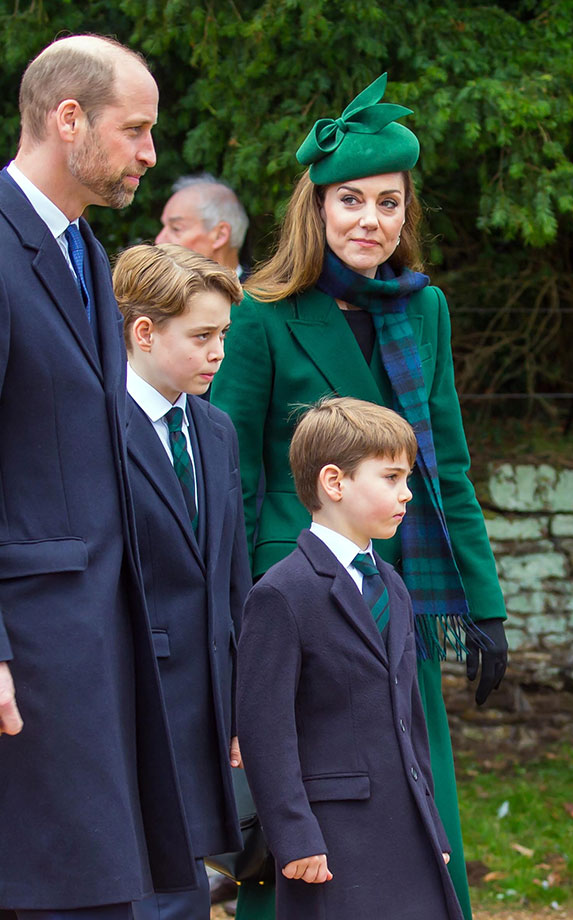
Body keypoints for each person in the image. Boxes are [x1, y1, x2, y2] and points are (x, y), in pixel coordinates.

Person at [0, 35, 199, 918]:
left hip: (92, 641)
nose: (149, 153)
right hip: (23, 649)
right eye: (135, 130)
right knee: (48, 890)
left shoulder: (81, 254)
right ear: (69, 119)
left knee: (23, 891)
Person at [209, 73, 507, 920]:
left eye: (389, 202)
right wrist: (235, 615)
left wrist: (484, 604)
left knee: (417, 801)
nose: (371, 220)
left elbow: (445, 465)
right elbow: (231, 481)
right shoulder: (262, 316)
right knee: (305, 806)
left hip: (397, 589)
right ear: (318, 208)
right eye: (351, 201)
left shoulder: (427, 312)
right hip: (296, 600)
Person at [235, 396, 463, 920]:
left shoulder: (395, 586)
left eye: (407, 478)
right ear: (334, 482)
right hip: (330, 841)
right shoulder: (281, 593)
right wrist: (293, 835)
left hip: (408, 831)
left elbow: (413, 721)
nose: (407, 493)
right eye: (391, 477)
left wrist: (431, 819)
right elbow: (264, 729)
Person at [113, 243, 251, 920]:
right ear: (144, 332)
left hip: (207, 690)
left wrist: (239, 691)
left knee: (186, 878)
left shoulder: (217, 429)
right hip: (126, 687)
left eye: (222, 335)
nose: (217, 352)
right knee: (132, 875)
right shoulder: (92, 425)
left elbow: (232, 572)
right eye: (201, 336)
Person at [155, 175, 249, 278]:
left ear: (220, 235)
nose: (159, 240)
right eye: (164, 226)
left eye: (176, 228)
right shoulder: (159, 292)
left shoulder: (253, 293)